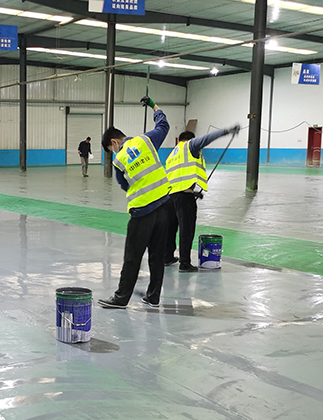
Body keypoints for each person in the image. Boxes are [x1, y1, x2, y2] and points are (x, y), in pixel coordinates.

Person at [99, 96, 173, 309]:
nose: (113, 153)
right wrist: (153, 105)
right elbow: (164, 125)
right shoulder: (146, 140)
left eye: (111, 149)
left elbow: (124, 185)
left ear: (114, 142)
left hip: (142, 211)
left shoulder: (119, 160)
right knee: (157, 255)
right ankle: (153, 296)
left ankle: (121, 298)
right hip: (164, 205)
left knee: (133, 256)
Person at [164, 126, 240, 272]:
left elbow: (177, 177)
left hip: (170, 197)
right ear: (190, 139)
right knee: (186, 230)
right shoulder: (190, 145)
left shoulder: (173, 154)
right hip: (183, 197)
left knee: (170, 229)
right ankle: (184, 263)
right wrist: (227, 131)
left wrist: (193, 193)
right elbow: (207, 138)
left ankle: (167, 257)